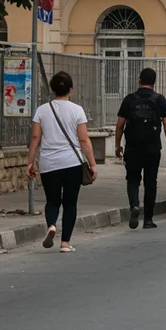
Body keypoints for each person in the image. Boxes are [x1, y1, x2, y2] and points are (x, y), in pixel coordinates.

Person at [26, 71, 98, 252]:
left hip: (49, 163)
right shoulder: (77, 110)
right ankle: (65, 243)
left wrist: (30, 162)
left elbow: (35, 137)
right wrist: (93, 164)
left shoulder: (41, 110)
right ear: (70, 90)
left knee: (52, 200)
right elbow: (84, 140)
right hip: (72, 163)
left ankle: (51, 225)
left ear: (53, 89)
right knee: (70, 203)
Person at [115, 67, 166, 230]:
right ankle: (148, 219)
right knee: (150, 182)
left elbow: (120, 125)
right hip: (152, 148)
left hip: (132, 148)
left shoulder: (129, 99)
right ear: (154, 83)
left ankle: (134, 206)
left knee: (133, 179)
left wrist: (117, 145)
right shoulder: (159, 99)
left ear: (139, 80)